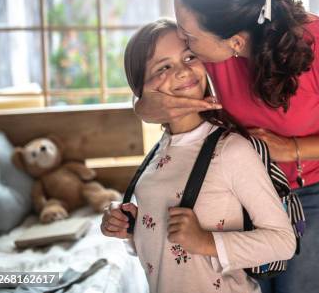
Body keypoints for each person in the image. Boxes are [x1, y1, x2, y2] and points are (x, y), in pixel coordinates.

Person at [135, 0, 319, 293]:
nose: (184, 42)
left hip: (308, 194)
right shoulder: (205, 51)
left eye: (190, 36)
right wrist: (143, 109)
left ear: (235, 41)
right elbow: (153, 94)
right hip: (232, 194)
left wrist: (293, 149)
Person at [101, 18, 296, 293]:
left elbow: (283, 242)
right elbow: (163, 248)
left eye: (189, 56)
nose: (182, 71)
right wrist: (129, 228)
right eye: (163, 67)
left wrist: (205, 242)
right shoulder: (158, 154)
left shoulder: (231, 150)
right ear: (142, 92)